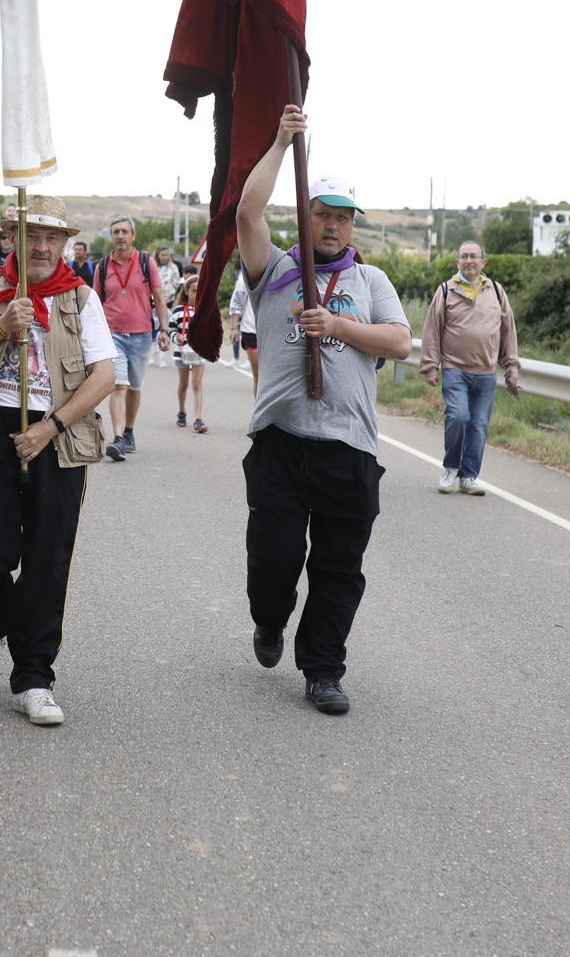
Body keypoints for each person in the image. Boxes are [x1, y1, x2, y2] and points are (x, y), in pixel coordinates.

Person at [235, 105, 412, 717]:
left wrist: (338, 323)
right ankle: (269, 619)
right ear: (306, 217)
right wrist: (283, 140)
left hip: (348, 446)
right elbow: (246, 213)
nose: (332, 227)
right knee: (275, 556)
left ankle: (323, 669)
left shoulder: (371, 282)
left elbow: (399, 342)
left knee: (340, 567)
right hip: (281, 441)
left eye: (342, 218)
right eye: (323, 214)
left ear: (352, 227)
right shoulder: (276, 271)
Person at [0, 197, 114, 727]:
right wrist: (0, 327)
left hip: (55, 436)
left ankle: (34, 678)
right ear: (9, 238)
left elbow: (104, 375)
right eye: (29, 235)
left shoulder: (81, 298)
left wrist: (50, 427)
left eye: (51, 238)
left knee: (46, 558)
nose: (40, 247)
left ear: (64, 245)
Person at [420, 241, 520, 496]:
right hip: (455, 368)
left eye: (474, 257)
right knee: (459, 416)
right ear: (457, 262)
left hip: (486, 372)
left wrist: (511, 365)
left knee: (478, 425)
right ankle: (451, 468)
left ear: (483, 262)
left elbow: (508, 331)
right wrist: (431, 366)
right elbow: (432, 330)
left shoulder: (496, 291)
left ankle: (469, 476)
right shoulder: (446, 290)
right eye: (464, 256)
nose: (469, 261)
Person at [94, 217, 171, 461]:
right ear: (111, 236)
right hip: (112, 334)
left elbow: (159, 297)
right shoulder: (103, 266)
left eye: (124, 231)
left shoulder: (147, 263)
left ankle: (129, 431)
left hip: (140, 334)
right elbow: (95, 301)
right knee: (118, 385)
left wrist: (164, 330)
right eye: (115, 231)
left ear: (133, 236)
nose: (120, 236)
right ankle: (117, 439)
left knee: (134, 387)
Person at [170, 274, 208, 434]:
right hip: (181, 353)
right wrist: (175, 337)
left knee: (197, 385)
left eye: (200, 291)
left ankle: (198, 419)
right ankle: (181, 412)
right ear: (186, 291)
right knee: (183, 384)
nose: (196, 294)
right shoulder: (178, 311)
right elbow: (172, 329)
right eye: (193, 291)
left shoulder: (206, 310)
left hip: (199, 353)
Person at [228, 264, 260, 393]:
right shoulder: (247, 275)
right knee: (259, 374)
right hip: (251, 330)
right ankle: (261, 412)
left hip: (272, 331)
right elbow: (237, 300)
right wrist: (234, 327)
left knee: (272, 376)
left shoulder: (279, 269)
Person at [151, 246, 182, 369]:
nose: (164, 257)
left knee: (164, 328)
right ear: (158, 256)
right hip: (154, 301)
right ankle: (153, 353)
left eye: (166, 254)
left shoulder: (173, 267)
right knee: (154, 327)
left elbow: (176, 283)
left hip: (168, 300)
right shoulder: (153, 267)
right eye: (162, 254)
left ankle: (162, 357)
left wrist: (171, 292)